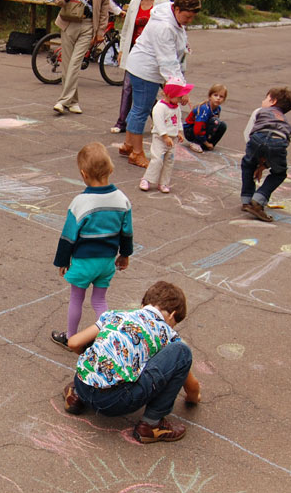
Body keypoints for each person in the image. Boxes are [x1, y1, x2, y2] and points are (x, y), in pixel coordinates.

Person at [61, 281, 201, 444]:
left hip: (82, 384)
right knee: (182, 351)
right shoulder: (167, 334)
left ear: (143, 304)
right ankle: (152, 424)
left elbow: (74, 343)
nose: (172, 326)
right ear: (172, 315)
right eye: (174, 323)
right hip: (114, 403)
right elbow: (191, 385)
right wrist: (194, 397)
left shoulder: (115, 315)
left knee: (108, 341)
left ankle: (76, 396)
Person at [51, 142, 132, 349]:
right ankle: (110, 340)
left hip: (84, 261)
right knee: (99, 301)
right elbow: (126, 232)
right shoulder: (122, 200)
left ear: (83, 173)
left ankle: (71, 337)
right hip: (106, 262)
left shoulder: (80, 203)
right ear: (111, 169)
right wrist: (124, 255)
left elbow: (68, 236)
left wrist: (63, 261)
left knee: (76, 298)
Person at [120, 0, 201, 168]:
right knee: (141, 110)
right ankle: (136, 153)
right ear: (177, 9)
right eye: (187, 17)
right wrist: (181, 89)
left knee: (137, 108)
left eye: (192, 18)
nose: (189, 21)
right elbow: (168, 62)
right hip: (146, 70)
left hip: (145, 67)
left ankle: (128, 145)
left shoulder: (170, 15)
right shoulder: (164, 26)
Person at [52, 0, 111, 116]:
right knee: (67, 64)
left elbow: (105, 6)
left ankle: (62, 101)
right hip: (69, 22)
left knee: (75, 64)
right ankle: (73, 101)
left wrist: (100, 31)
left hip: (88, 25)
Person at [111, 0, 169, 135]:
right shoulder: (135, 3)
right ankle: (122, 121)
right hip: (135, 52)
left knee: (158, 89)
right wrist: (122, 49)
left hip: (155, 53)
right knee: (128, 86)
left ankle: (160, 121)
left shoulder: (164, 4)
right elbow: (127, 28)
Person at [239, 86, 291, 223]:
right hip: (278, 143)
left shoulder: (260, 111)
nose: (263, 101)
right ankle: (259, 198)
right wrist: (264, 165)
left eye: (266, 98)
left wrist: (254, 160)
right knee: (279, 173)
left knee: (247, 165)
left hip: (257, 138)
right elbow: (284, 145)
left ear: (273, 101)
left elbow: (249, 134)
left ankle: (247, 200)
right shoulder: (285, 122)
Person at [141, 76, 192, 193]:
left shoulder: (176, 107)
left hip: (172, 139)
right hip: (160, 138)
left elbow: (178, 119)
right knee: (157, 159)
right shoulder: (160, 107)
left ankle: (164, 182)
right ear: (169, 94)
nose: (180, 99)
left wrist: (179, 131)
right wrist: (164, 136)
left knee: (169, 161)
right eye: (178, 97)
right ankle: (147, 179)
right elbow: (158, 123)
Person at [183, 83, 227, 152]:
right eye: (215, 95)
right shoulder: (205, 109)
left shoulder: (218, 108)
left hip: (202, 128)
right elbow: (198, 128)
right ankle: (197, 142)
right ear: (210, 96)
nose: (218, 98)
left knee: (222, 125)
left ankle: (207, 144)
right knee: (215, 121)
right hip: (191, 130)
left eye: (221, 97)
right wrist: (206, 142)